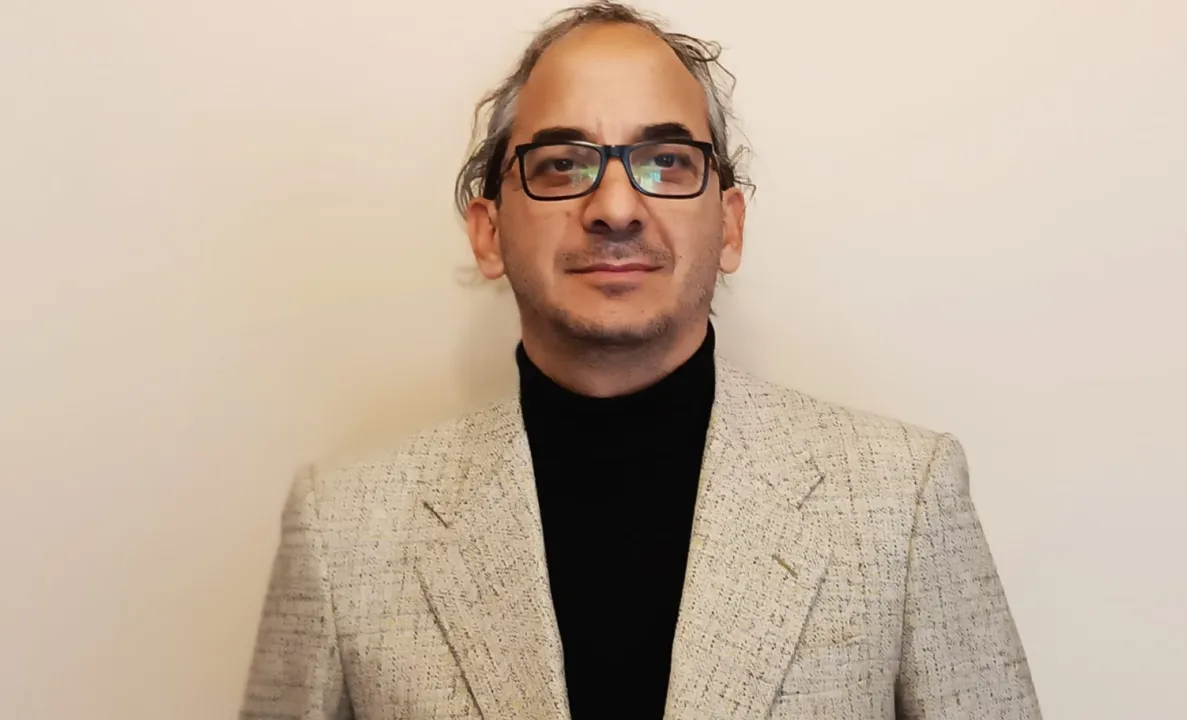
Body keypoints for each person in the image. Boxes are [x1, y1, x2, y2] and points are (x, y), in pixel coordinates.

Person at [239, 2, 1042, 719]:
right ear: (489, 232)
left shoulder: (902, 500)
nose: (616, 208)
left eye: (666, 161)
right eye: (561, 164)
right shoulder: (343, 531)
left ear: (729, 226)